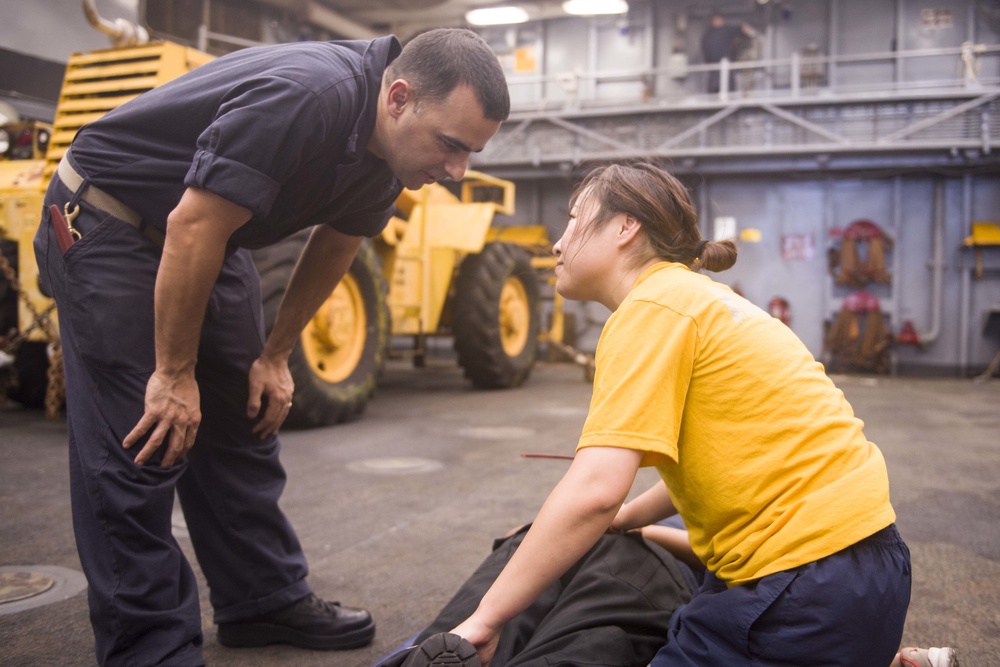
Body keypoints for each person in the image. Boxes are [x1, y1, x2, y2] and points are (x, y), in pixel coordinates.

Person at [33, 28, 508, 667]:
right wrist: (172, 373)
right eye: (451, 146)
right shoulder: (310, 94)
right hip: (113, 222)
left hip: (212, 234)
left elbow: (339, 242)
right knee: (143, 439)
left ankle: (261, 600)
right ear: (398, 98)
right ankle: (149, 648)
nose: (457, 171)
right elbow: (191, 222)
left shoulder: (389, 154)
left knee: (246, 415)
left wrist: (275, 355)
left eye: (470, 153)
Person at [444, 161, 911, 666]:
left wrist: (486, 619)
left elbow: (595, 492)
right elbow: (724, 459)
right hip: (866, 567)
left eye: (574, 220)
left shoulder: (649, 308)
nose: (558, 243)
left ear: (626, 227)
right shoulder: (704, 299)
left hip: (803, 586)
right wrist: (628, 520)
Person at [701, 12, 753, 94]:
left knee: (729, 85)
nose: (717, 21)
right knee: (714, 87)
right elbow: (704, 47)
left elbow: (739, 30)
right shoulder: (708, 34)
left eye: (719, 19)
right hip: (713, 65)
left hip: (727, 64)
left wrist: (744, 29)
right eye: (715, 20)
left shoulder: (727, 30)